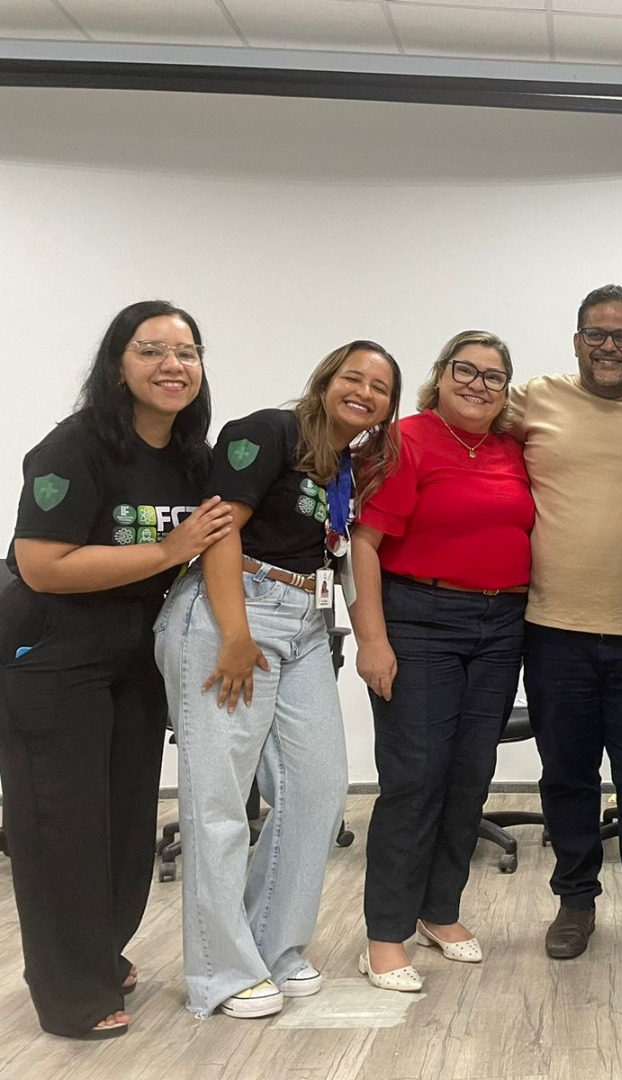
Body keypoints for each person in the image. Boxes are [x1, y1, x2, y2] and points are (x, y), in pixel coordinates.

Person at [0, 301, 230, 1039]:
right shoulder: (75, 448)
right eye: (151, 350)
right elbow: (43, 565)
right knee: (62, 823)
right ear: (118, 365)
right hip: (53, 652)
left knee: (126, 819)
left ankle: (101, 949)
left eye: (187, 351)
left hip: (137, 652)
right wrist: (169, 551)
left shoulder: (190, 456)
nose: (173, 364)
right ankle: (69, 992)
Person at [155, 340, 400, 1018]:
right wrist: (234, 634)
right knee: (219, 803)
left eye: (380, 387)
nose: (365, 392)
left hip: (302, 625)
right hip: (232, 614)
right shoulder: (268, 431)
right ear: (326, 379)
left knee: (320, 790)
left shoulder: (346, 465)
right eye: (354, 376)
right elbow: (218, 529)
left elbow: (339, 552)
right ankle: (222, 974)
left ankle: (274, 945)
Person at [351, 331, 534, 992]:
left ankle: (440, 911)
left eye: (493, 375)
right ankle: (383, 933)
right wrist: (372, 639)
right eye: (467, 370)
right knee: (415, 775)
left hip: (502, 623)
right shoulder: (407, 439)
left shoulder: (512, 448)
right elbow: (364, 543)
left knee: (468, 772)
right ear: (441, 374)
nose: (479, 384)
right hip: (420, 618)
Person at [508, 285, 622, 965]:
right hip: (554, 626)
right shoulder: (533, 399)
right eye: (596, 334)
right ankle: (575, 902)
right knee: (567, 777)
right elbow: (453, 412)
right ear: (577, 340)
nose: (609, 347)